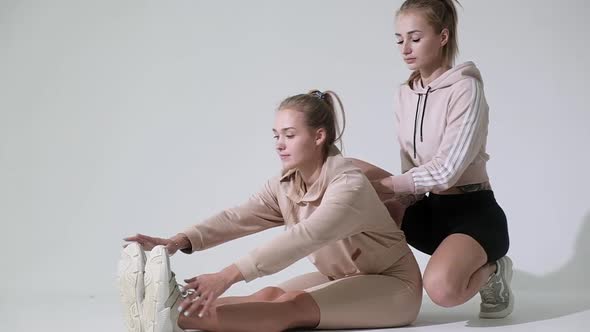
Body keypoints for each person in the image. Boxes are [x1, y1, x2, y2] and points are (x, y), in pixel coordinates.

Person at [117, 90, 423, 332]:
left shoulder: (348, 184)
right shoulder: (286, 183)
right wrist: (180, 240)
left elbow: (306, 236)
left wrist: (226, 276)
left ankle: (175, 321)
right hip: (341, 275)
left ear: (319, 137)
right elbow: (238, 217)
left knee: (291, 308)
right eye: (276, 135)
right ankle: (171, 308)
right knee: (267, 296)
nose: (279, 144)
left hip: (394, 285)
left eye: (289, 135)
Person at [348, 0, 513, 319]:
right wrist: (395, 202)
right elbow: (409, 167)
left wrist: (385, 188)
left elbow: (448, 171)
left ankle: (492, 272)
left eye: (415, 37)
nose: (405, 48)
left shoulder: (466, 88)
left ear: (443, 36)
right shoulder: (403, 94)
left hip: (474, 212)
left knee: (442, 290)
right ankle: (361, 284)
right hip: (430, 209)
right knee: (346, 170)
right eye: (399, 39)